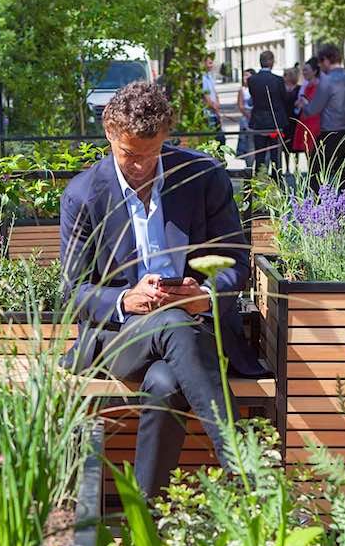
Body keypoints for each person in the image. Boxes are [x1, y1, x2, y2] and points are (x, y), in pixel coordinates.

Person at [59, 81, 266, 496]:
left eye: (151, 154)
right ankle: (252, 480)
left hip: (195, 332)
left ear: (167, 138)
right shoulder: (84, 195)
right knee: (169, 322)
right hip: (120, 339)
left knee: (165, 383)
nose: (139, 166)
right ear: (108, 134)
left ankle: (147, 518)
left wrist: (202, 296)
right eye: (129, 155)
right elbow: (73, 293)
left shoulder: (201, 176)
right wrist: (125, 299)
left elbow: (236, 261)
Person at [301, 44, 345, 189]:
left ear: (326, 61)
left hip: (330, 133)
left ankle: (317, 207)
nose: (320, 67)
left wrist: (304, 103)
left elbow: (313, 109)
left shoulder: (327, 81)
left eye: (320, 63)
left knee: (316, 174)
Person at [247, 50, 289, 176]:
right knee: (275, 155)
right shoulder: (278, 80)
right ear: (271, 62)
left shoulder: (252, 80)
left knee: (259, 155)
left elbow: (254, 97)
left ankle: (259, 181)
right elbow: (284, 99)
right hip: (275, 121)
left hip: (259, 121)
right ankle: (277, 183)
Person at [291, 58, 321, 162]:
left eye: (306, 70)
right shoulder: (306, 85)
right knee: (307, 149)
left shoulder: (318, 85)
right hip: (305, 119)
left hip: (314, 121)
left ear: (315, 71)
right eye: (303, 70)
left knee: (313, 148)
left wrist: (303, 103)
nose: (304, 72)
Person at [202, 56, 226, 146]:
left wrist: (218, 104)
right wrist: (216, 109)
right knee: (214, 139)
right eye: (210, 63)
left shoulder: (210, 76)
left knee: (220, 139)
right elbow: (206, 96)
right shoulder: (202, 78)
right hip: (208, 113)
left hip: (214, 112)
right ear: (203, 63)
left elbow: (214, 93)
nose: (212, 65)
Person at [235, 69, 254, 162]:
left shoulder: (256, 88)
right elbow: (240, 105)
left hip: (255, 116)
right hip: (245, 116)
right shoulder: (242, 89)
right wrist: (247, 114)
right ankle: (248, 162)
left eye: (247, 75)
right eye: (244, 75)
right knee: (246, 141)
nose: (245, 77)